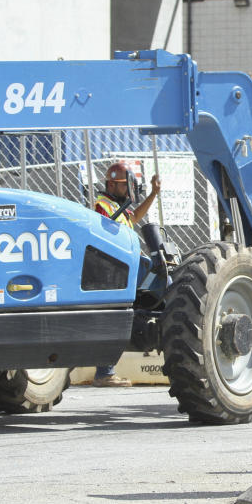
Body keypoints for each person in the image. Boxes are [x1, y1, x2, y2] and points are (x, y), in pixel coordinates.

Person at [93, 162, 161, 387]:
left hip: (124, 267)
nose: (128, 190)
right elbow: (107, 230)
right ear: (112, 184)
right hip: (112, 272)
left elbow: (133, 219)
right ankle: (105, 373)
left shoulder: (116, 205)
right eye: (125, 186)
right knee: (111, 317)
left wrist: (153, 194)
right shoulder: (103, 205)